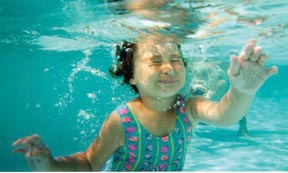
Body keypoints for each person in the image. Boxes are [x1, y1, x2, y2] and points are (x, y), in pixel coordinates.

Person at [12, 33, 278, 171]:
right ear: (131, 78)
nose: (168, 68)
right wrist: (52, 166)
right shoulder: (122, 121)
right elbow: (90, 163)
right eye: (155, 61)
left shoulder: (188, 107)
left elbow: (225, 114)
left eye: (176, 60)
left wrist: (242, 90)